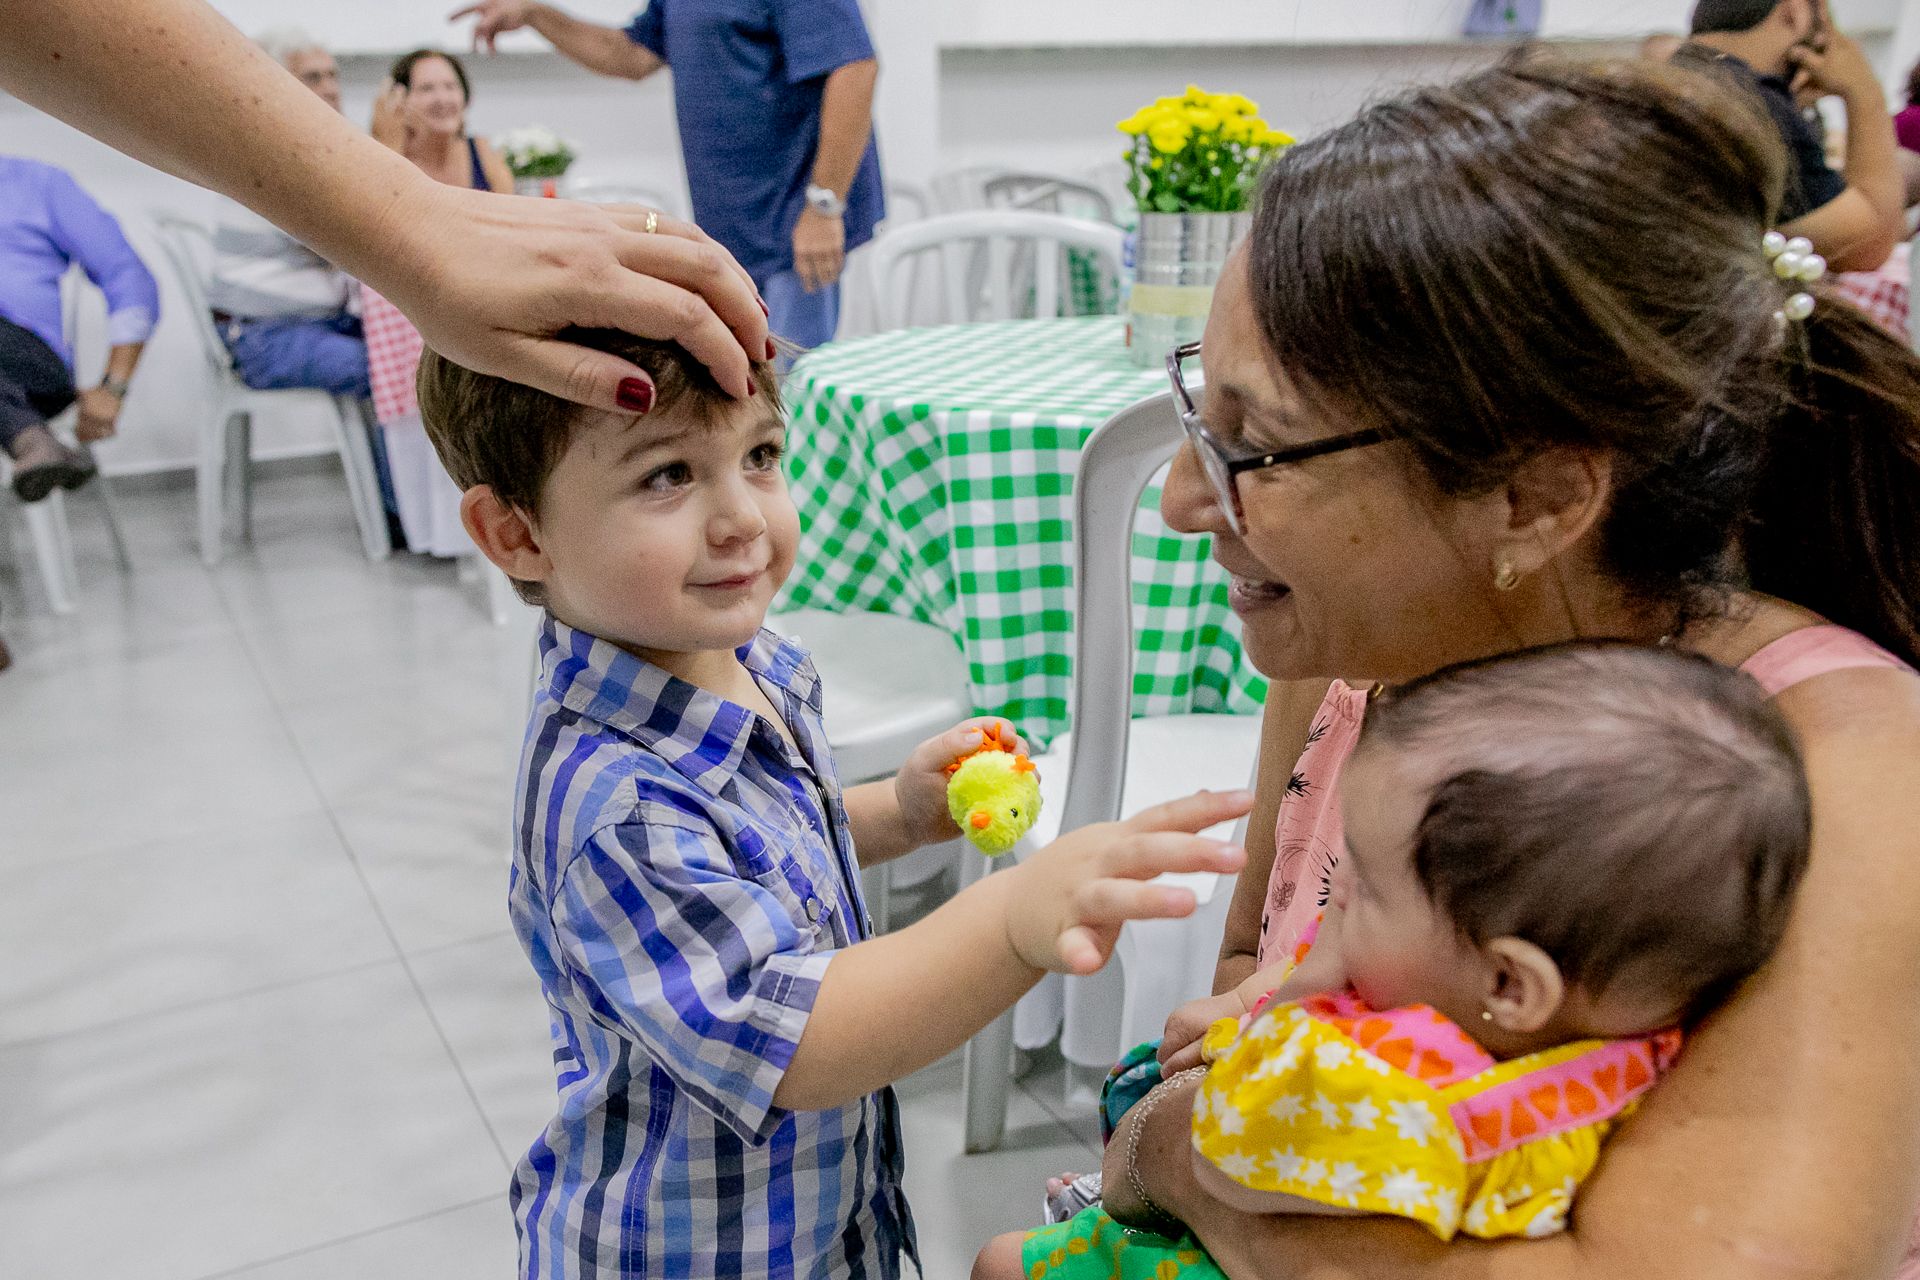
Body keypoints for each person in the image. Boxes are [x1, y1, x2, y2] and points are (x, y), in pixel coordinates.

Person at [1066, 53, 1920, 1280]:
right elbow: (1253, 967)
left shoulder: (1829, 763)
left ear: (1537, 494)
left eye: (1258, 446)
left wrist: (1169, 1151)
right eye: (1205, 413)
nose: (1191, 497)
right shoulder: (1358, 649)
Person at [412, 327, 1251, 1279]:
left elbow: (766, 850)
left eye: (759, 457)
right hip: (693, 1254)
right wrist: (1015, 920)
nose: (742, 519)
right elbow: (801, 1045)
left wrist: (898, 811)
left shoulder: (748, 656)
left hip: (820, 1216)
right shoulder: (612, 804)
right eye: (667, 476)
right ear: (517, 534)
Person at [978, 642, 1813, 1279]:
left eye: (1362, 893)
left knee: (1001, 1263)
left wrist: (1290, 1008)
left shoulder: (1401, 1096)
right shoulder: (1607, 1054)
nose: (1331, 909)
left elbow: (1224, 1151)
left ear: (1510, 983)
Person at [0, 0, 768, 412]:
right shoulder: (338, 162)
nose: (742, 529)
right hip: (275, 329)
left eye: (765, 461)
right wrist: (416, 222)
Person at [451, 0, 884, 351]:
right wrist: (535, 14)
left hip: (797, 221)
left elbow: (855, 68)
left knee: (790, 399)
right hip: (734, 225)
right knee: (755, 391)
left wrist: (824, 207)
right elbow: (630, 55)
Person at [1675, 0, 1906, 272]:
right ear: (1794, 11)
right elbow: (1866, 246)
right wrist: (1864, 91)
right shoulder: (1754, 103)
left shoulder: (1677, 76)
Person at [207, 31, 372, 401]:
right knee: (395, 372)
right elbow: (360, 242)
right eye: (313, 78)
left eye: (333, 75)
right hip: (264, 335)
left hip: (320, 323)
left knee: (424, 359)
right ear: (274, 87)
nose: (330, 89)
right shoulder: (276, 155)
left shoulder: (310, 152)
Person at [0, 155, 156, 504]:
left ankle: (29, 436)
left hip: (29, 365)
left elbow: (127, 275)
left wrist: (113, 387)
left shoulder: (38, 184)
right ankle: (30, 437)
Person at [372, 49, 514, 195]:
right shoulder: (391, 157)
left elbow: (511, 212)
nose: (442, 99)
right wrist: (389, 147)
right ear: (400, 99)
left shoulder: (483, 153)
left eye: (450, 86)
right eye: (427, 88)